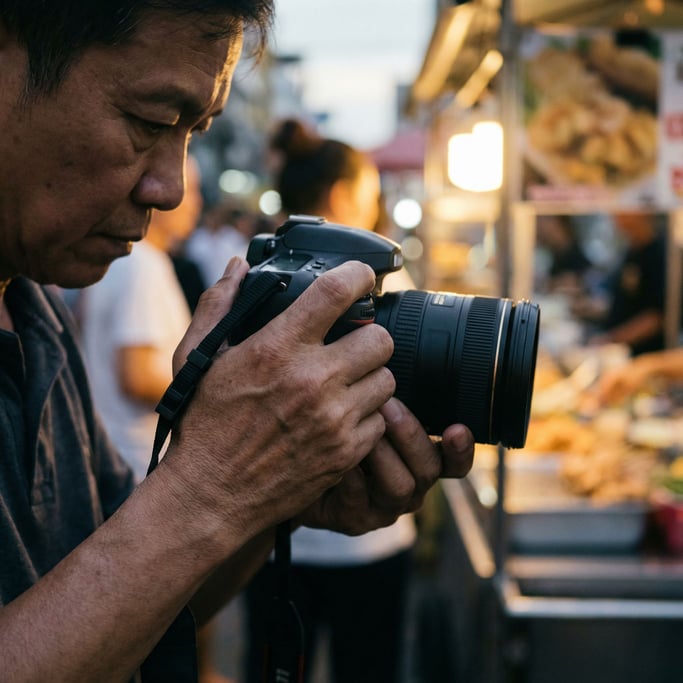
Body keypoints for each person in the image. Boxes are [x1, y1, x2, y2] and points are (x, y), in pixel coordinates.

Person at [0, 4, 475, 683]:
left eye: (193, 132)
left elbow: (120, 604)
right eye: (150, 121)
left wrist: (263, 499)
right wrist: (210, 486)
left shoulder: (32, 305)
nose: (172, 188)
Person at [242, 118, 417, 683]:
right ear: (344, 196)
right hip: (368, 539)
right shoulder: (379, 277)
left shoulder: (255, 278)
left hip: (264, 540)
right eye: (370, 194)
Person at [79, 156, 202, 483]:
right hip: (134, 461)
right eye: (194, 191)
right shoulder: (143, 266)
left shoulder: (126, 260)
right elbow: (137, 375)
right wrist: (208, 389)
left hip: (116, 452)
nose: (193, 203)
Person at [576, 211, 667, 356]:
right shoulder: (631, 250)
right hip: (620, 350)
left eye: (623, 210)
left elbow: (656, 317)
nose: (615, 215)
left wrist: (611, 340)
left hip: (644, 356)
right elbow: (627, 302)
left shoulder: (660, 253)